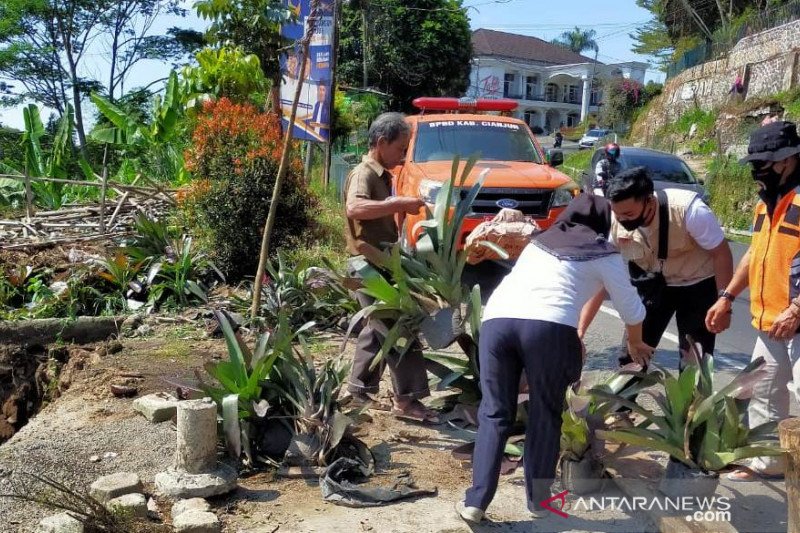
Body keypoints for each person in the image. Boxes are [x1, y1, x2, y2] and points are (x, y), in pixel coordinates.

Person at [456, 194, 653, 524]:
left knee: (494, 412)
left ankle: (476, 501)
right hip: (548, 330)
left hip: (497, 321)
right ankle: (539, 500)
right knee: (545, 415)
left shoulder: (539, 241)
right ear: (603, 224)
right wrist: (636, 344)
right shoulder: (605, 253)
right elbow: (632, 309)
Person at [579, 167, 733, 398]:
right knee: (633, 349)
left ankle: (690, 422)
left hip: (697, 285)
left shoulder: (690, 212)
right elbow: (604, 280)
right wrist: (580, 330)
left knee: (694, 358)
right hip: (652, 285)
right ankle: (620, 413)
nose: (622, 220)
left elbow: (722, 254)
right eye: (618, 214)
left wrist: (724, 301)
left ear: (649, 201)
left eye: (629, 215)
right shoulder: (616, 221)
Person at [706, 120, 800, 481]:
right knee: (763, 392)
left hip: (794, 316)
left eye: (764, 162)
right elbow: (754, 255)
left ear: (788, 159)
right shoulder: (766, 203)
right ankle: (770, 462)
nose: (757, 170)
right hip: (771, 319)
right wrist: (727, 295)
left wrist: (796, 309)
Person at [343, 112, 439, 423]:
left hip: (379, 263)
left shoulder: (382, 174)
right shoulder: (364, 174)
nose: (403, 154)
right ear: (382, 142)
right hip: (367, 266)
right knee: (401, 329)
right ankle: (407, 400)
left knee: (378, 328)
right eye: (400, 147)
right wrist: (398, 204)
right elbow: (354, 207)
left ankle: (358, 389)